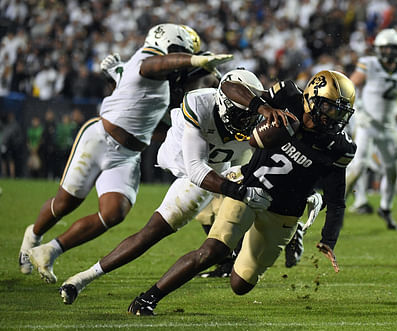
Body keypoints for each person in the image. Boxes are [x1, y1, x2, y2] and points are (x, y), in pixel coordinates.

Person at [125, 69, 357, 316]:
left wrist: (329, 239)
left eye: (341, 112)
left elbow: (336, 200)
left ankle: (288, 233)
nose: (335, 117)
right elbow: (228, 87)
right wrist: (263, 108)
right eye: (330, 108)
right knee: (213, 251)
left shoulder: (340, 147)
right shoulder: (287, 96)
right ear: (312, 98)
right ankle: (147, 299)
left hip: (284, 213)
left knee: (240, 284)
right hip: (248, 188)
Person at [19, 23, 233, 283]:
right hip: (100, 139)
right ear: (167, 44)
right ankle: (34, 234)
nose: (178, 63)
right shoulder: (145, 59)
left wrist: (202, 70)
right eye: (178, 52)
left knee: (113, 214)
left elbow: (153, 95)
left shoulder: (164, 82)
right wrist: (195, 59)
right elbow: (154, 67)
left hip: (128, 155)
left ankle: (50, 250)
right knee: (65, 203)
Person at [59, 69, 295, 304]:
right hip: (188, 166)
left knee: (246, 213)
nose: (245, 122)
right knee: (152, 233)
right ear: (224, 105)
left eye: (249, 116)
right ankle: (82, 278)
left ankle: (292, 231)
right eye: (240, 115)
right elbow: (196, 169)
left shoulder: (257, 109)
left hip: (225, 167)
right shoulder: (200, 102)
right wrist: (239, 191)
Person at [345, 28, 397, 230]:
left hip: (388, 126)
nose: (388, 52)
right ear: (378, 49)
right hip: (367, 123)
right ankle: (337, 206)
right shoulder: (369, 64)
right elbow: (349, 86)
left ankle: (385, 207)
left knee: (392, 170)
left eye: (392, 48)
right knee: (358, 167)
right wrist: (357, 109)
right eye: (384, 48)